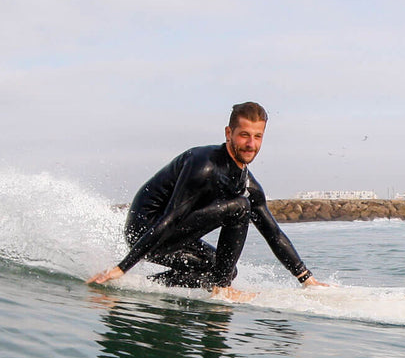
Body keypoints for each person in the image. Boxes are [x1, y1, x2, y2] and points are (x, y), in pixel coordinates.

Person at [87, 102, 324, 299]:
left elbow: (273, 233)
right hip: (146, 230)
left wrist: (307, 279)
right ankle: (223, 289)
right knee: (240, 207)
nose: (251, 144)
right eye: (244, 135)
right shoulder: (203, 165)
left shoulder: (246, 183)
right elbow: (171, 218)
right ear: (228, 133)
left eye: (257, 137)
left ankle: (143, 287)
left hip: (172, 236)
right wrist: (122, 267)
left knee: (224, 269)